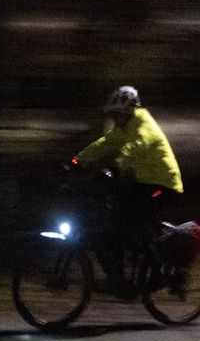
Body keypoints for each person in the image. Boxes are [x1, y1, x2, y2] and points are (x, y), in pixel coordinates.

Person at [68, 85, 183, 292]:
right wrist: (76, 161)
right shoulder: (123, 127)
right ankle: (119, 277)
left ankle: (158, 271)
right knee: (115, 220)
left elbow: (138, 145)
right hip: (144, 182)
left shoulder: (142, 122)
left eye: (117, 114)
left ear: (128, 110)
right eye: (112, 114)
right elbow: (104, 144)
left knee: (132, 221)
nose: (113, 118)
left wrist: (116, 165)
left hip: (164, 183)